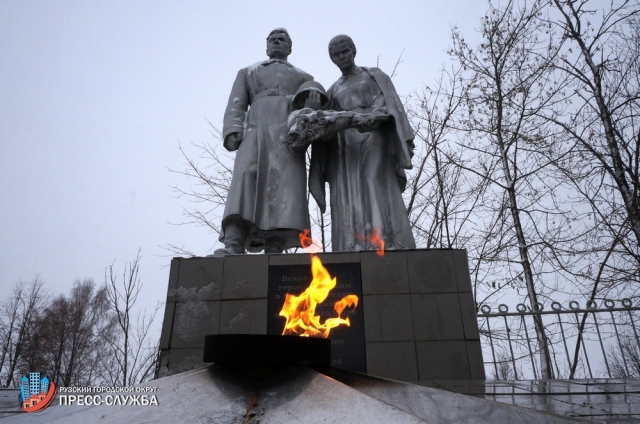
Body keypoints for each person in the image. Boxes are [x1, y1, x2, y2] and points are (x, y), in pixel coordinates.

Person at [309, 34, 416, 251]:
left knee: (372, 181)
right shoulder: (333, 90)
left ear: (353, 51)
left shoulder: (372, 75)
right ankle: (354, 242)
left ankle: (383, 239)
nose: (341, 57)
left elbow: (385, 102)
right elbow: (326, 124)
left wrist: (373, 116)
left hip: (372, 134)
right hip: (345, 144)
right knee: (348, 192)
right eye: (336, 54)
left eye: (345, 51)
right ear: (332, 59)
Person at [214, 28, 314, 255]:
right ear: (266, 46)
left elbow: (311, 112)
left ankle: (275, 246)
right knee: (245, 179)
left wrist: (312, 107)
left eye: (282, 40)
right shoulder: (248, 72)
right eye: (272, 40)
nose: (277, 42)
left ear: (290, 47)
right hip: (255, 131)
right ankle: (233, 243)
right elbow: (236, 104)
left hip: (285, 134)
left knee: (284, 188)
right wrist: (232, 129)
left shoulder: (304, 78)